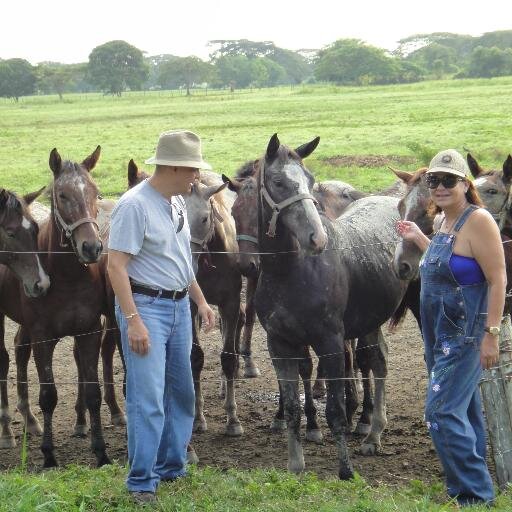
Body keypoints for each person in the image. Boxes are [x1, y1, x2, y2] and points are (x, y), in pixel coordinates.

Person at [108, 130, 216, 505]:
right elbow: (116, 266)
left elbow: (180, 260)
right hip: (147, 308)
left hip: (178, 308)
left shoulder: (178, 203)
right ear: (171, 166)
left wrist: (199, 301)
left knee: (182, 391)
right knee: (147, 397)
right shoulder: (133, 206)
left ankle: (172, 466)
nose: (196, 178)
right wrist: (133, 319)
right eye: (192, 170)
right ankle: (141, 480)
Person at [397, 149, 506, 507]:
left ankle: (474, 495)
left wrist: (491, 336)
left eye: (448, 180)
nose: (440, 187)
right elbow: (449, 264)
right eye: (434, 181)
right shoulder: (443, 222)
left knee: (440, 412)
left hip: (466, 336)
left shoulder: (480, 221)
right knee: (464, 409)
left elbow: (497, 278)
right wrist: (418, 238)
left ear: (464, 184)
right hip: (438, 336)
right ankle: (474, 488)